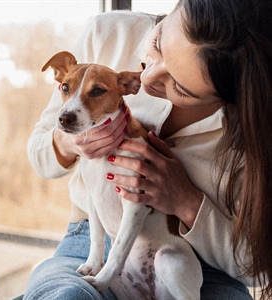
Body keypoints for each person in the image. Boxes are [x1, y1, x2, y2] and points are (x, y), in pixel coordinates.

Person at [24, 0, 272, 299]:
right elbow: (39, 155)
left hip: (201, 263)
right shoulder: (107, 32)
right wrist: (70, 141)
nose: (146, 78)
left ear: (230, 95)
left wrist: (187, 202)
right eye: (158, 42)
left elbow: (256, 267)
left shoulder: (254, 129)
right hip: (89, 242)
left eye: (179, 87)